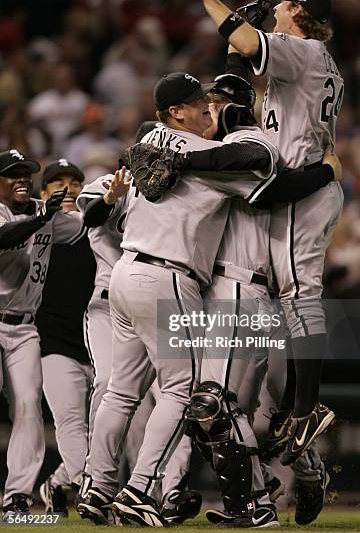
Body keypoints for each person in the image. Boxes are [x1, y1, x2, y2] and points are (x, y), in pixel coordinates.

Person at [77, 71, 280, 528]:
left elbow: (95, 210)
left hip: (126, 275)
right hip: (167, 277)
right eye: (198, 103)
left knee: (121, 393)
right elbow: (262, 160)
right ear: (175, 112)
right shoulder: (207, 153)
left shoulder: (150, 142)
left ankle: (97, 486)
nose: (208, 108)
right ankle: (138, 489)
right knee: (181, 390)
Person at [159, 0, 344, 466]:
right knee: (295, 300)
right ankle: (294, 408)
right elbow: (240, 62)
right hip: (308, 183)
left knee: (302, 298)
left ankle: (305, 407)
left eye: (285, 6)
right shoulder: (318, 62)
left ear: (299, 15)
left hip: (304, 187)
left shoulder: (300, 51)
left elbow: (242, 41)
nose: (278, 9)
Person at [77, 152, 201, 526]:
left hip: (133, 293)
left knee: (141, 395)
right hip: (122, 296)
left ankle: (163, 489)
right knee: (144, 391)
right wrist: (112, 198)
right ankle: (118, 484)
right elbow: (90, 217)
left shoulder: (174, 190)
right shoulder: (116, 183)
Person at [0, 149, 85, 521]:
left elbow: (85, 224)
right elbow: (5, 237)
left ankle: (17, 496)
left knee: (29, 403)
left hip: (25, 328)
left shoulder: (43, 210)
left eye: (26, 172)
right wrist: (44, 217)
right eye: (11, 173)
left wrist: (110, 201)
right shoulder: (31, 215)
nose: (21, 178)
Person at [36, 159, 96, 516]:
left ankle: (57, 482)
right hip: (52, 338)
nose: (68, 187)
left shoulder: (99, 225)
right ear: (43, 193)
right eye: (57, 182)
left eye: (75, 181)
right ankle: (93, 492)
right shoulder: (34, 229)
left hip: (96, 338)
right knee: (72, 420)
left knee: (108, 430)